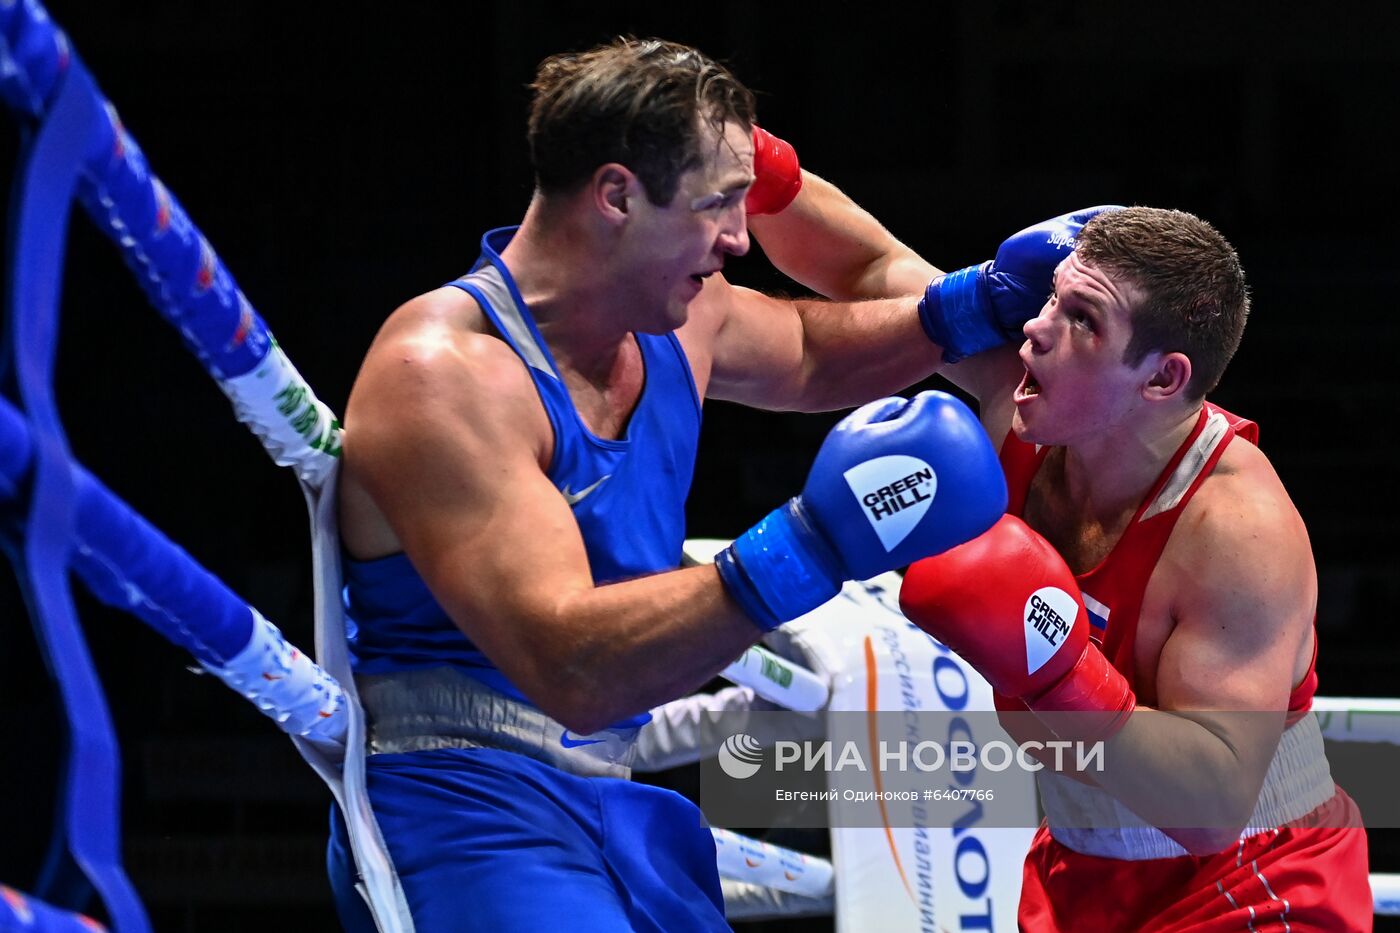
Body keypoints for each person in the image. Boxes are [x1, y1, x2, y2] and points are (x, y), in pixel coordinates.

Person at [324, 37, 1085, 931]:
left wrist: (980, 302)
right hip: (465, 797)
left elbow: (808, 353)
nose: (737, 236)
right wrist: (812, 543)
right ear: (615, 196)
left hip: (609, 796)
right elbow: (570, 664)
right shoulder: (447, 372)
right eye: (718, 204)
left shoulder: (675, 321)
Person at [898, 207, 1373, 930]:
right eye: (1052, 296)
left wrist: (1056, 672)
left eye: (1083, 318)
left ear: (1162, 378)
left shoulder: (1235, 529)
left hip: (1251, 877)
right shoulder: (1026, 414)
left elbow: (1211, 807)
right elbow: (875, 279)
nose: (1035, 326)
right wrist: (768, 177)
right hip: (1078, 866)